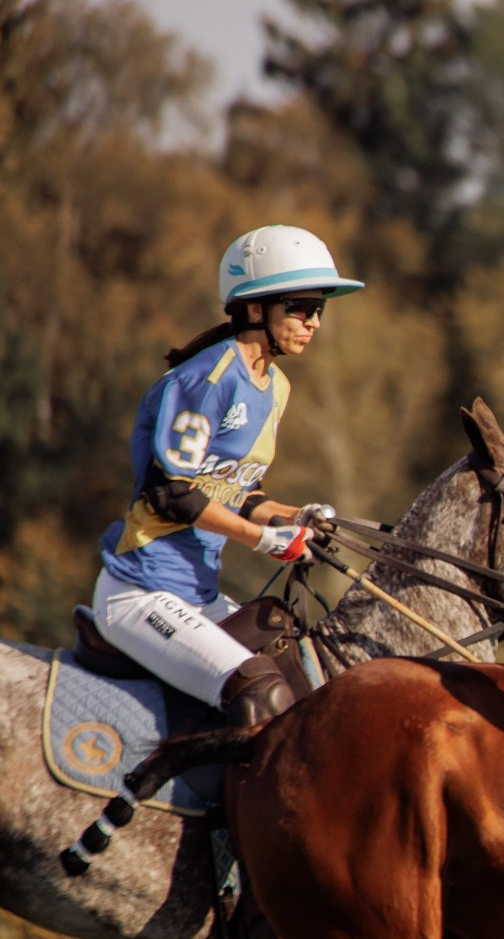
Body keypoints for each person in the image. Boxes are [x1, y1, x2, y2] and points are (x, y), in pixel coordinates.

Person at [94, 225, 362, 724]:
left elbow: (237, 489)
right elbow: (169, 493)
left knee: (303, 685)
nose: (315, 322)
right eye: (302, 307)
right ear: (256, 309)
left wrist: (292, 515)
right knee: (262, 699)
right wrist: (261, 540)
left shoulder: (276, 386)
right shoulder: (205, 379)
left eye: (319, 309)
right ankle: (139, 795)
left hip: (199, 596)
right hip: (142, 592)